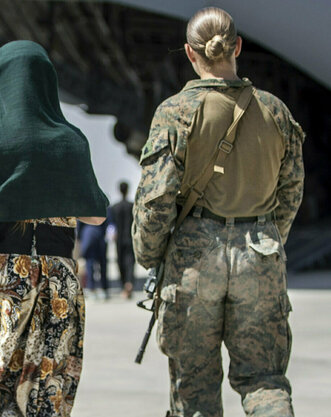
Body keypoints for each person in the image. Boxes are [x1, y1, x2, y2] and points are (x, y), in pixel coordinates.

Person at [132, 7, 303, 417]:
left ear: (191, 54)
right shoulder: (276, 112)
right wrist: (264, 238)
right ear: (238, 47)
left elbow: (156, 201)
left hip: (194, 259)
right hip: (259, 255)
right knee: (264, 379)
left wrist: (149, 255)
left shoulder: (175, 112)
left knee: (194, 389)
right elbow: (292, 191)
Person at [0, 40, 108, 417]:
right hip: (59, 281)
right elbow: (97, 215)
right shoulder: (71, 140)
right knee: (45, 396)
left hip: (2, 280)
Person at [108, 181, 135, 298]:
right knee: (130, 262)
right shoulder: (132, 206)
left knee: (120, 262)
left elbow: (111, 225)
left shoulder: (115, 207)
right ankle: (129, 283)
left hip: (119, 239)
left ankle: (124, 284)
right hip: (130, 237)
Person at [77, 219, 109, 300]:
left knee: (90, 264)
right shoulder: (103, 207)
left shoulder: (83, 207)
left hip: (88, 235)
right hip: (100, 234)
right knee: (102, 264)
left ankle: (91, 288)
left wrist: (79, 238)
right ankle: (103, 288)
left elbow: (79, 223)